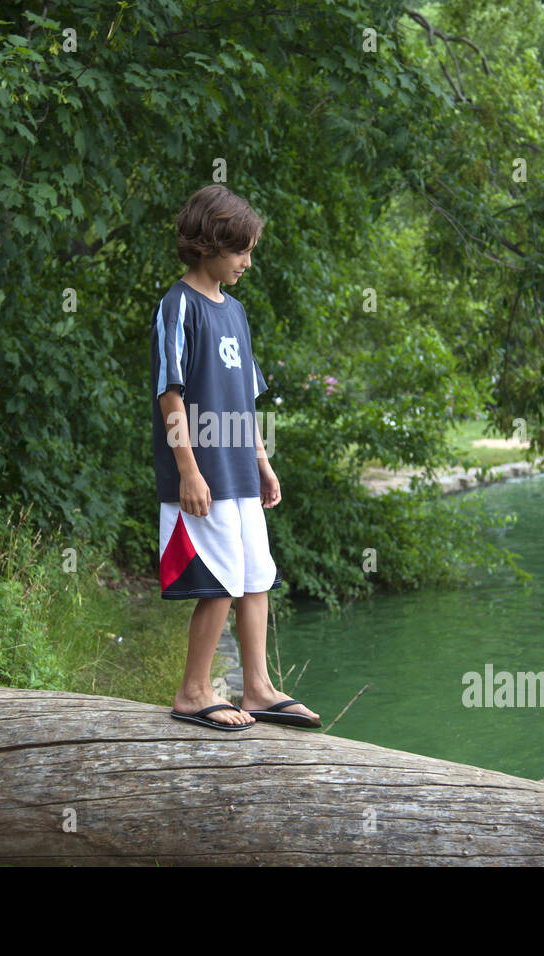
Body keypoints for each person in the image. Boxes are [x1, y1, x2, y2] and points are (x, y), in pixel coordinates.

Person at [150, 184, 321, 731]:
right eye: (240, 251)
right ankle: (193, 691)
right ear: (208, 245)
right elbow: (169, 393)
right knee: (220, 578)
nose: (247, 262)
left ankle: (258, 688)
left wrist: (263, 463)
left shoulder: (237, 313)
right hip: (203, 475)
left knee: (256, 577)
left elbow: (244, 400)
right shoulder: (178, 305)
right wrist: (188, 471)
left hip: (240, 471)